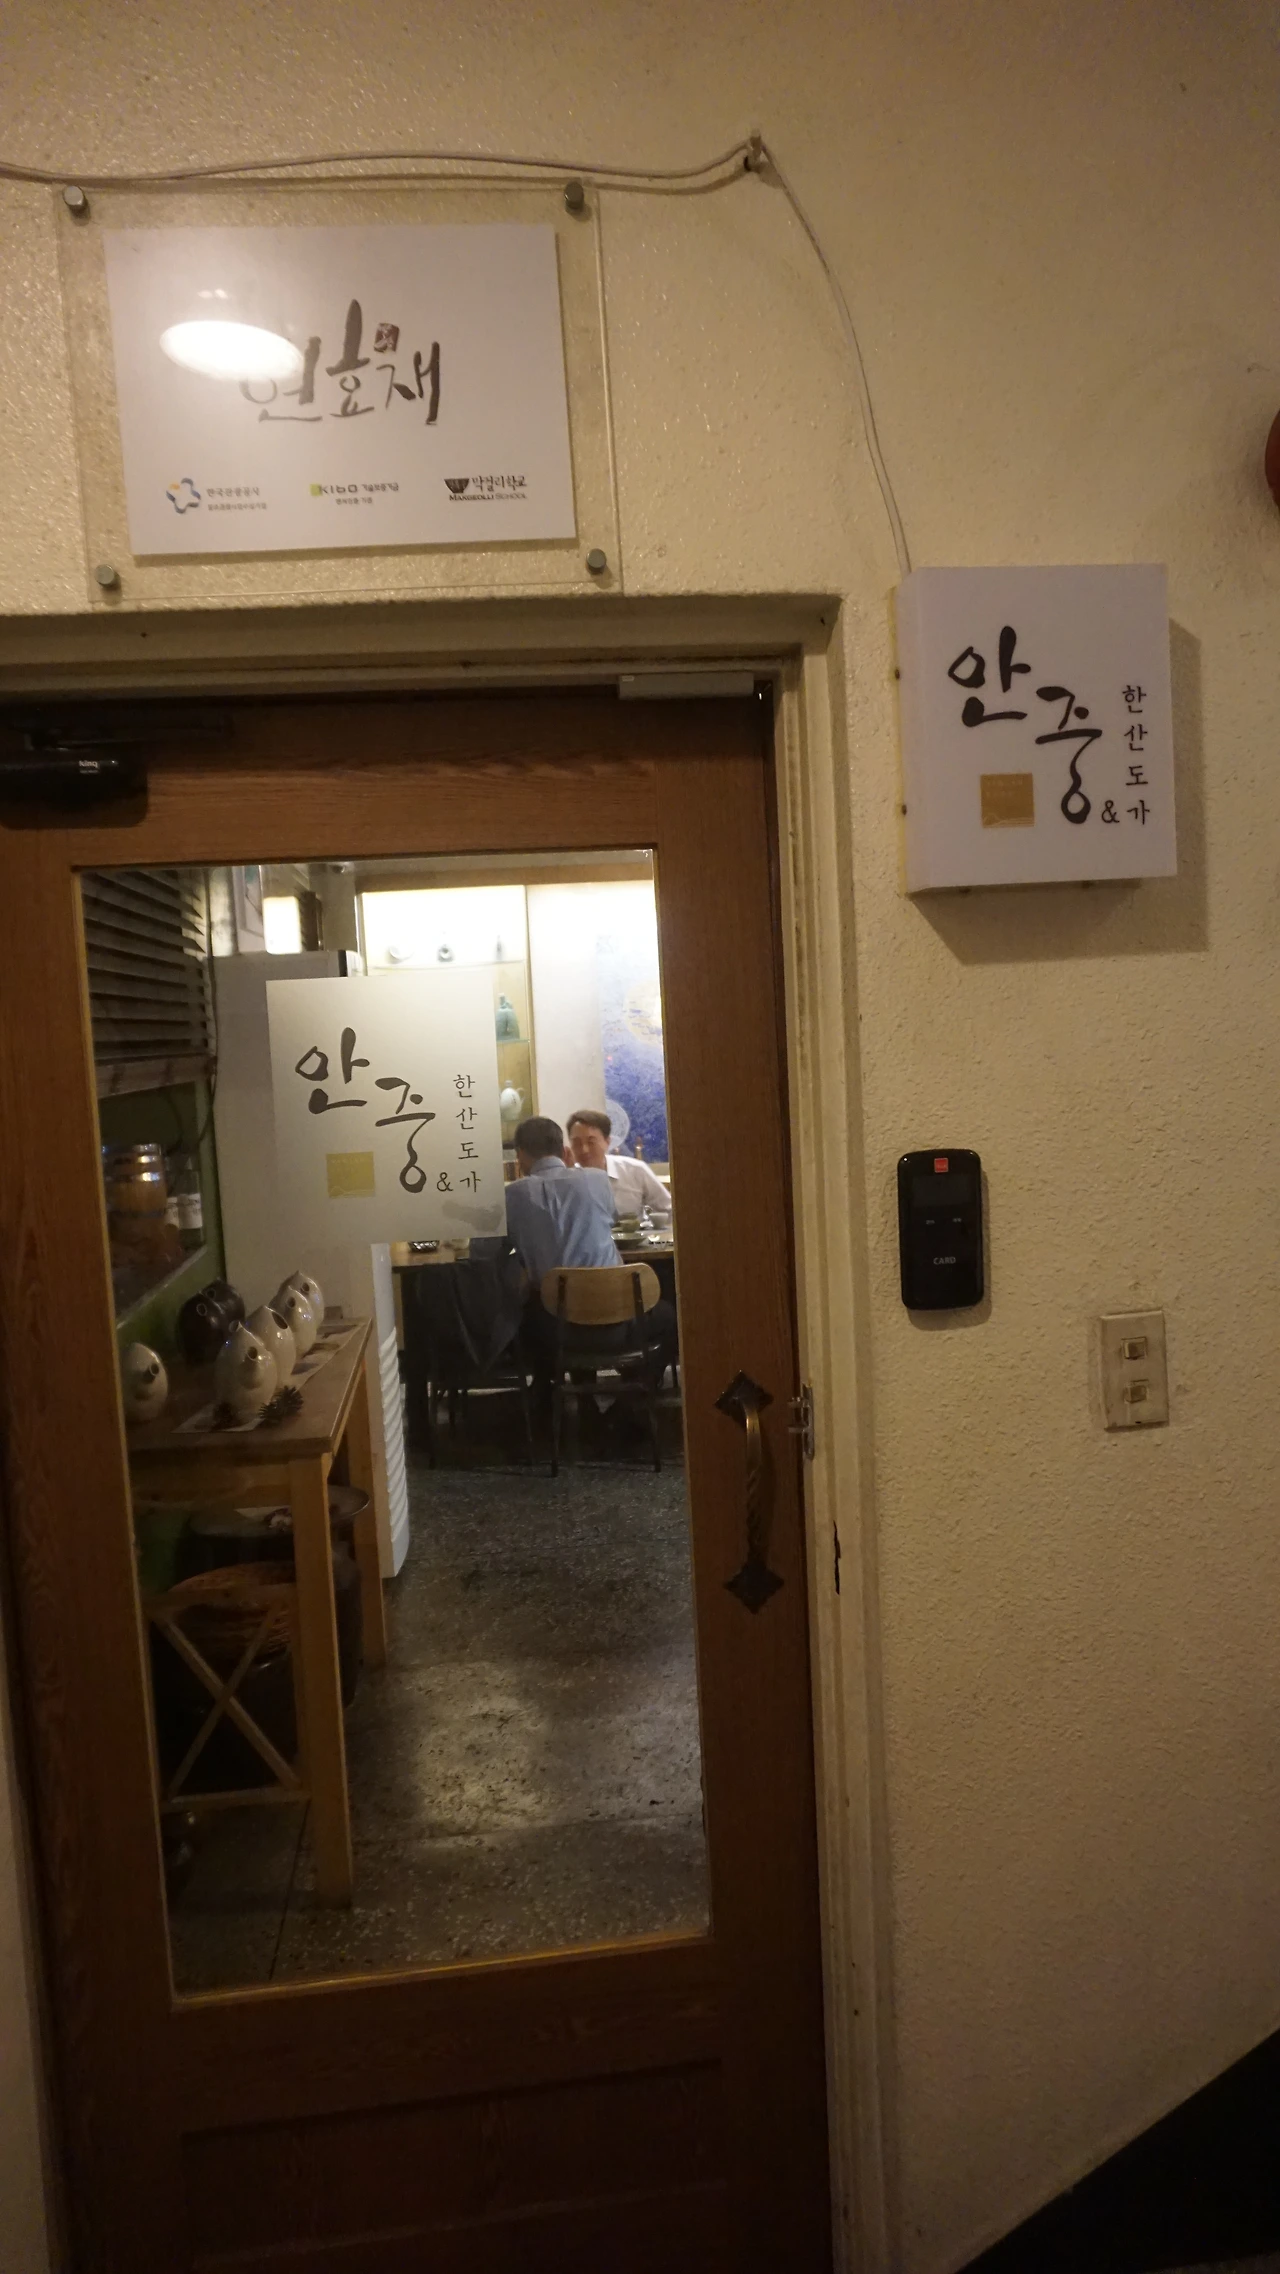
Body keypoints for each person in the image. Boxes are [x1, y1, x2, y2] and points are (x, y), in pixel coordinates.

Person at [502, 1115, 617, 1283]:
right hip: (617, 1291)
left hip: (555, 1297)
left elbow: (485, 1253)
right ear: (564, 1152)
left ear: (520, 1154)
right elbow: (611, 1221)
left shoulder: (513, 1194)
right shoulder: (598, 1178)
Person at [565, 1108, 671, 1221]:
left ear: (607, 1142)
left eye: (591, 1142)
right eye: (577, 1143)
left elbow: (668, 1210)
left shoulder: (634, 1170)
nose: (584, 1150)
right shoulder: (567, 1180)